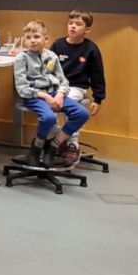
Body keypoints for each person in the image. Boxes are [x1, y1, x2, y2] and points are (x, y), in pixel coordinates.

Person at [14, 20, 90, 167]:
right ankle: (37, 146)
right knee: (48, 117)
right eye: (28, 37)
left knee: (82, 114)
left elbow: (63, 81)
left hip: (54, 93)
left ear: (46, 39)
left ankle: (54, 145)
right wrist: (45, 96)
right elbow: (22, 88)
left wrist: (60, 94)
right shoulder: (21, 58)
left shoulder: (52, 56)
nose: (32, 40)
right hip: (34, 96)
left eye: (36, 37)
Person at [50, 10, 106, 163]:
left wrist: (98, 99)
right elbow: (47, 67)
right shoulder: (57, 44)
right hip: (55, 86)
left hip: (76, 87)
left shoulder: (91, 49)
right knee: (47, 107)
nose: (73, 26)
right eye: (70, 23)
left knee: (69, 103)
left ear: (87, 30)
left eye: (78, 24)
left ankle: (72, 144)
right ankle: (60, 138)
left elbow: (97, 75)